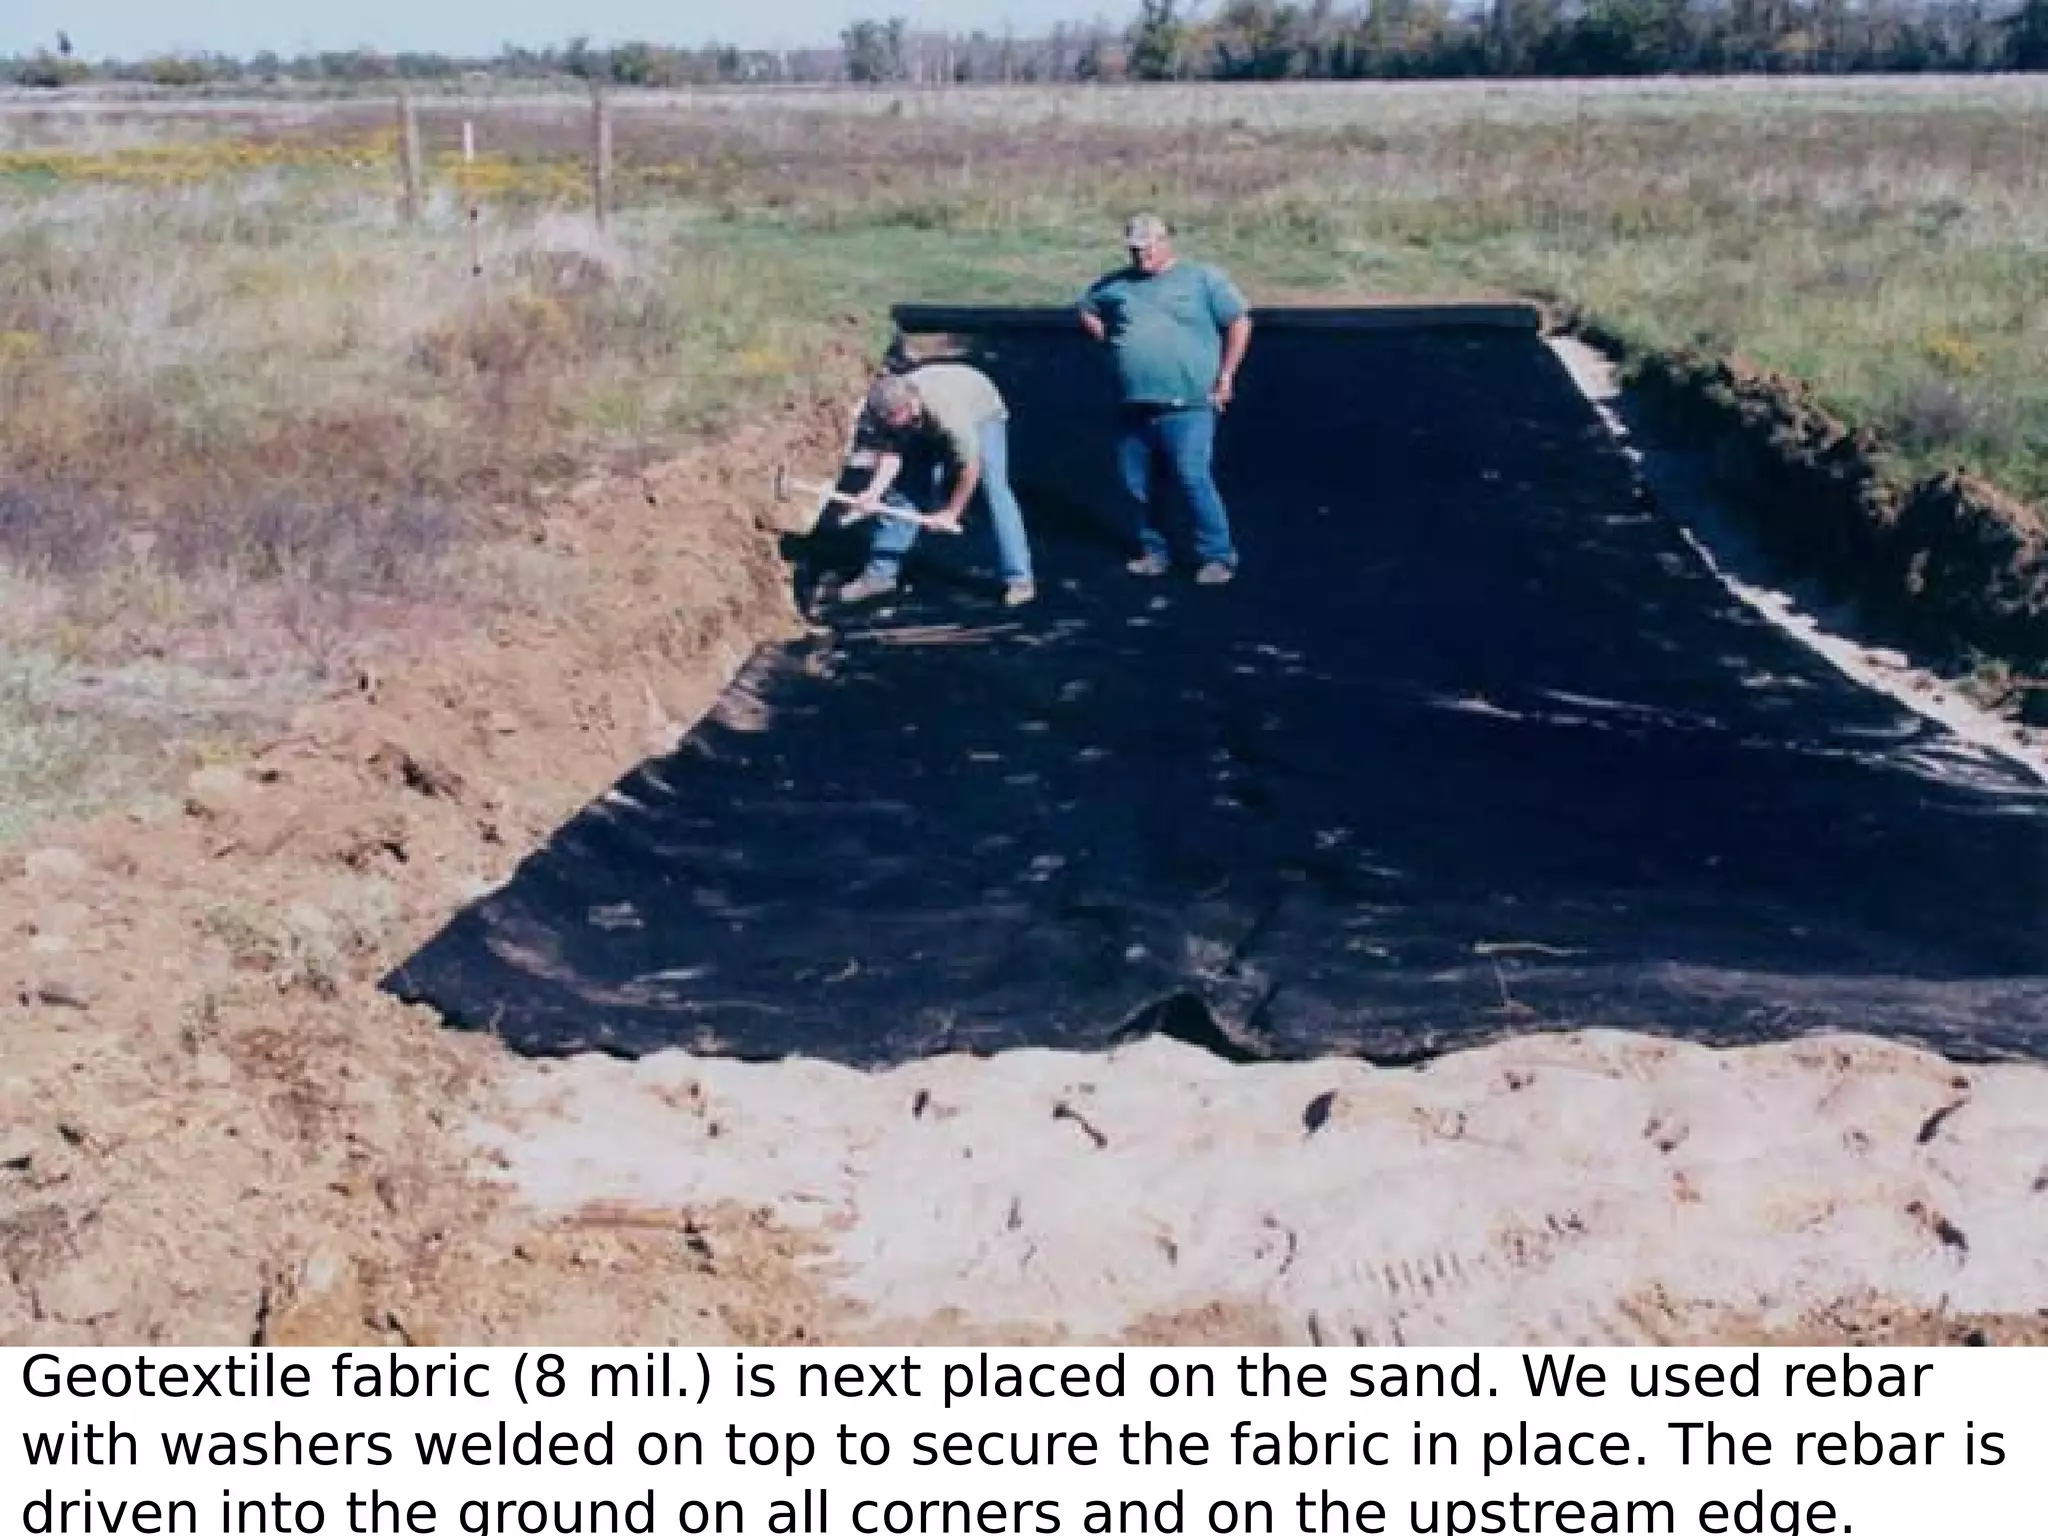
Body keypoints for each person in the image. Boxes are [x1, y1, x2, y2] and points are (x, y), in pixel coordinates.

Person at [1076, 213, 1252, 585]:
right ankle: (1154, 549)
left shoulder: (1202, 279)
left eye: (1149, 247)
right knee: (1136, 482)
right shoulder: (1117, 285)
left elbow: (1239, 321)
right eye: (1136, 250)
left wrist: (1226, 375)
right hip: (1135, 402)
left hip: (1189, 401)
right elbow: (1087, 307)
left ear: (1166, 241)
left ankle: (1217, 553)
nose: (1143, 256)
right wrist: (1108, 338)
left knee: (1191, 475)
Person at [838, 362, 1036, 607]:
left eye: (892, 418)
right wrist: (873, 492)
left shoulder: (947, 413)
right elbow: (892, 453)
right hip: (929, 419)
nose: (887, 423)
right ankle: (880, 576)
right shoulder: (884, 411)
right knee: (905, 491)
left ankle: (1019, 579)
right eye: (884, 420)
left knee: (994, 490)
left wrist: (952, 513)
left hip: (981, 410)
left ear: (908, 407)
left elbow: (970, 466)